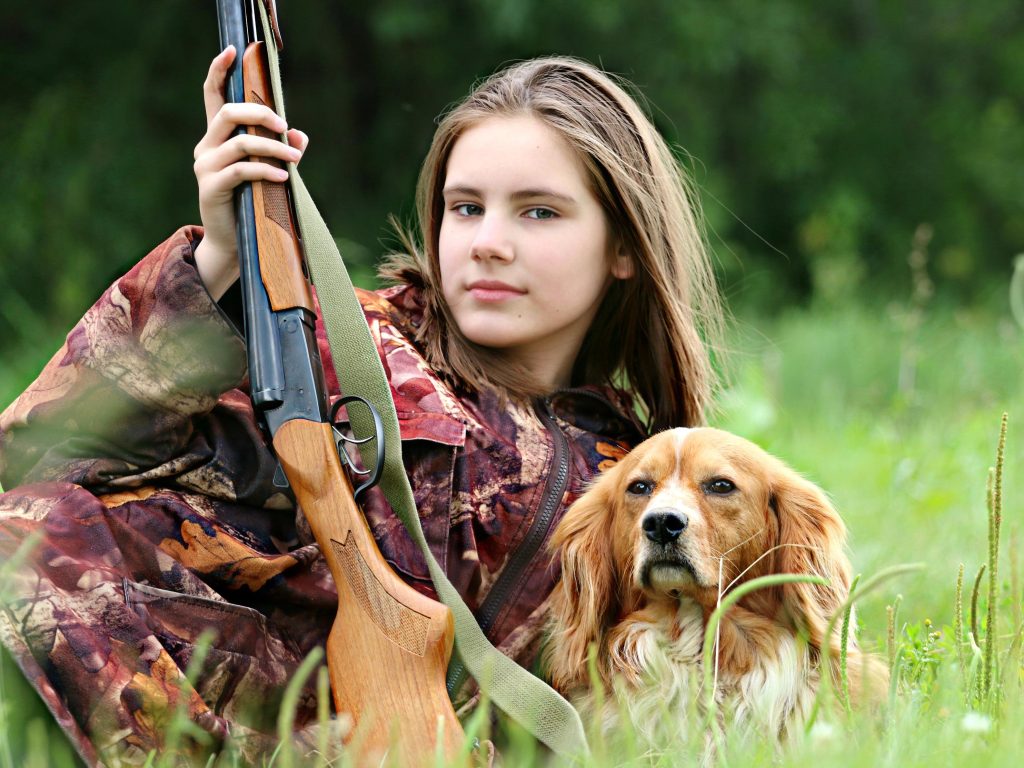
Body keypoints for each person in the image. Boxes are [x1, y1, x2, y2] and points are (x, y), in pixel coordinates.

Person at [0, 46, 724, 766]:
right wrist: (218, 260)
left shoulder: (646, 486)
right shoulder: (333, 345)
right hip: (86, 677)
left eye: (539, 212)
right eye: (465, 207)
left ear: (624, 245)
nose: (489, 245)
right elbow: (42, 452)